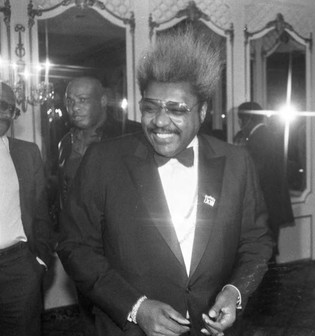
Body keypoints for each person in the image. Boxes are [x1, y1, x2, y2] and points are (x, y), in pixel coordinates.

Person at [57, 25, 273, 336]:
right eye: (150, 108)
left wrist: (235, 292)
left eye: (176, 109)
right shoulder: (103, 161)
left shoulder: (237, 162)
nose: (160, 121)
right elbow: (75, 246)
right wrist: (136, 307)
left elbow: (257, 241)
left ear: (203, 111)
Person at [0, 82, 55, 336]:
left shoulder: (27, 153)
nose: (3, 114)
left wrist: (40, 261)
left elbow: (41, 212)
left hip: (19, 268)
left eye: (9, 108)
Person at [58, 76, 141, 206]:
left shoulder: (130, 135)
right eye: (70, 101)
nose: (75, 108)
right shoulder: (65, 143)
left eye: (82, 100)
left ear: (102, 101)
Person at [234, 102, 294, 257]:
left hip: (265, 207)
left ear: (248, 119)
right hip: (270, 205)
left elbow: (254, 174)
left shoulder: (259, 139)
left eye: (240, 120)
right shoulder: (265, 135)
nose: (240, 124)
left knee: (264, 254)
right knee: (268, 252)